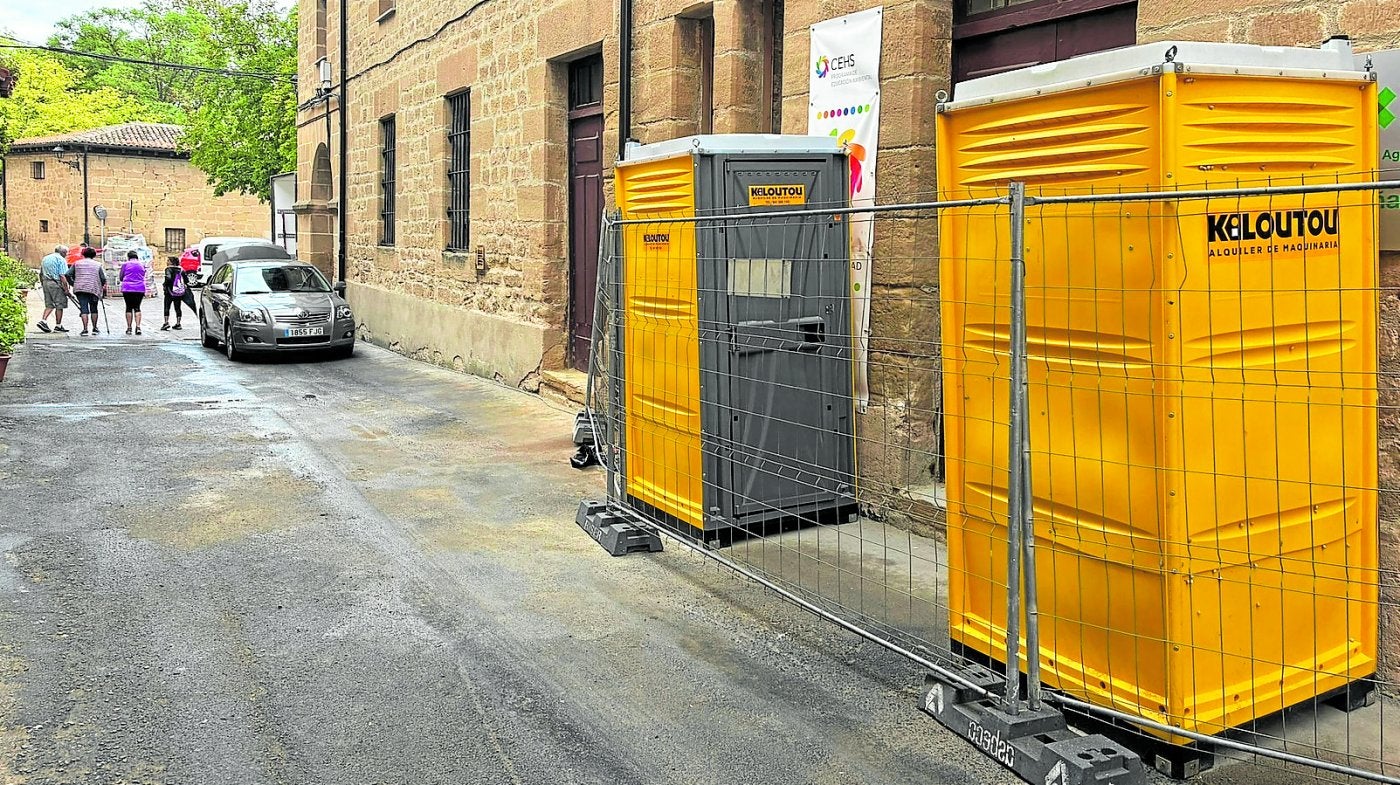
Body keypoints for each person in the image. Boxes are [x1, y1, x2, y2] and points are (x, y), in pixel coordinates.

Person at [65, 246, 106, 336]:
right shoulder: (98, 265)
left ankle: (85, 329)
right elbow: (103, 278)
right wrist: (101, 286)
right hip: (93, 288)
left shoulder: (77, 263)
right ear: (94, 255)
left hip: (80, 288)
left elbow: (68, 274)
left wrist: (73, 283)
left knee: (84, 308)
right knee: (94, 308)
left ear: (83, 254)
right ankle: (95, 328)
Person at [36, 244, 71, 333]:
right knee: (59, 305)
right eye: (66, 253)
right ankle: (58, 325)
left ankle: (43, 320)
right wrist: (66, 289)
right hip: (56, 283)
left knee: (49, 304)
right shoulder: (61, 260)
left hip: (46, 282)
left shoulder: (46, 258)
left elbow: (41, 273)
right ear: (63, 252)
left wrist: (42, 283)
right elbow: (62, 276)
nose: (66, 255)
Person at [161, 256, 196, 330]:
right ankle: (178, 323)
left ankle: (166, 323)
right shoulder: (181, 269)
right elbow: (187, 281)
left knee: (167, 307)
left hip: (169, 292)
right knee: (178, 307)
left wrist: (165, 285)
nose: (167, 262)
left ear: (171, 262)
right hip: (178, 291)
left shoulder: (168, 269)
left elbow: (168, 279)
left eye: (168, 260)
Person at [119, 250, 147, 335]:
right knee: (137, 307)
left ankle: (129, 328)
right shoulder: (142, 264)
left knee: (128, 307)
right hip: (140, 288)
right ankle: (138, 327)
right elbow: (143, 274)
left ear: (128, 257)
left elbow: (121, 277)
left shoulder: (125, 264)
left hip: (127, 288)